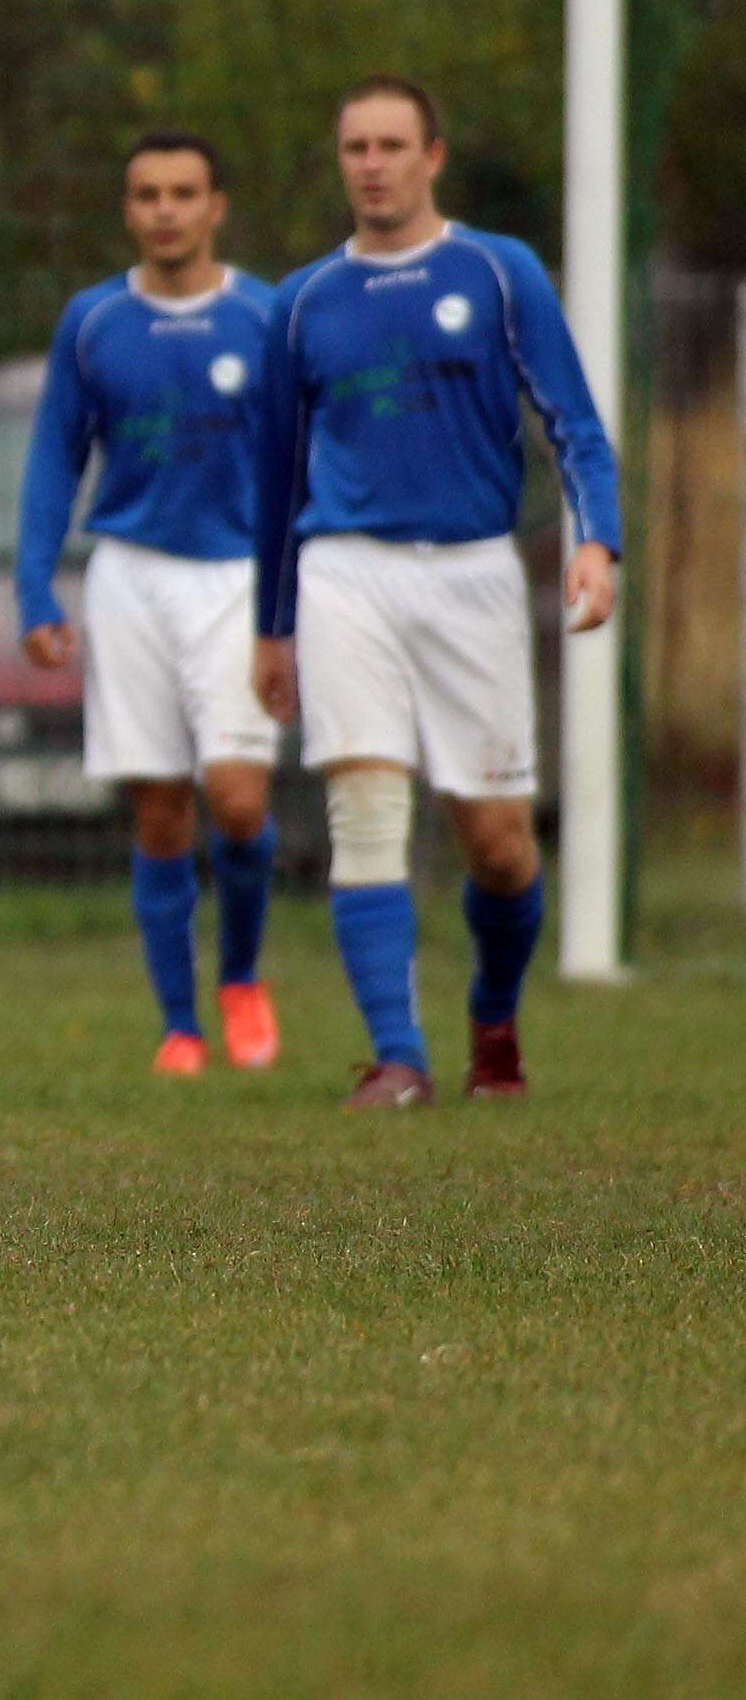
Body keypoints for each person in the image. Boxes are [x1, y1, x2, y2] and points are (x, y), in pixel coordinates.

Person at [251, 78, 620, 1110]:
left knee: (499, 847)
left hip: (471, 575)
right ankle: (397, 1057)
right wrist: (270, 626)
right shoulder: (304, 303)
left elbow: (575, 425)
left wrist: (601, 545)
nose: (371, 163)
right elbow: (277, 477)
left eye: (391, 145)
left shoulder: (498, 275)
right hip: (345, 573)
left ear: (433, 157)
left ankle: (492, 1021)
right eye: (354, 146)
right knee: (365, 809)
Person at [16, 134, 284, 1079]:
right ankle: (181, 1027)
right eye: (146, 194)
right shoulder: (93, 322)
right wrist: (33, 584)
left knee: (238, 801)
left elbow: (303, 459)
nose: (164, 210)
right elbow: (56, 455)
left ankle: (242, 976)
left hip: (239, 578)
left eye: (183, 193)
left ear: (217, 206)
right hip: (129, 574)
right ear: (127, 209)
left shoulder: (264, 316)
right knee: (162, 813)